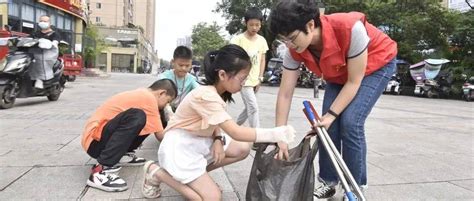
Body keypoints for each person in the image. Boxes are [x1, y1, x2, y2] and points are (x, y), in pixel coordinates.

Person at [269, 0, 397, 199]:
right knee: (325, 128)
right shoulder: (293, 50)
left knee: (350, 122)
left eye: (292, 38)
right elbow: (285, 93)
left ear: (310, 25)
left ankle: (355, 185)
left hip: (376, 64)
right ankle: (328, 181)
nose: (289, 45)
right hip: (339, 73)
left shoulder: (350, 28)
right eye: (284, 40)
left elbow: (354, 82)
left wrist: (331, 114)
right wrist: (280, 136)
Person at [140, 44, 296, 200]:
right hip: (180, 148)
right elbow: (236, 132)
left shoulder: (218, 93)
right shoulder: (206, 96)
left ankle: (197, 179)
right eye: (242, 78)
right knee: (212, 198)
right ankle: (156, 172)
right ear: (222, 75)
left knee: (242, 148)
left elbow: (216, 122)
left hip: (196, 140)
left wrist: (217, 139)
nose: (245, 82)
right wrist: (276, 134)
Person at [81, 79, 177, 192]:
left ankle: (123, 155)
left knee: (149, 121)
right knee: (138, 116)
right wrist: (175, 123)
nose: (166, 106)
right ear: (162, 93)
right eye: (167, 101)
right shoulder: (149, 99)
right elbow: (161, 136)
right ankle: (101, 170)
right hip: (94, 142)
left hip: (97, 139)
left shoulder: (143, 94)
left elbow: (156, 128)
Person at [230, 7, 269, 135]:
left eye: (257, 25)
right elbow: (232, 57)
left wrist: (260, 78)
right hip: (243, 80)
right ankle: (256, 136)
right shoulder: (238, 40)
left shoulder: (262, 40)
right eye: (251, 24)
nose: (254, 27)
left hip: (255, 80)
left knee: (249, 108)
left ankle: (234, 128)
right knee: (253, 107)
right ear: (245, 23)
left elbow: (262, 60)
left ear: (261, 24)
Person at [157, 46, 199, 126]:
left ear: (191, 64)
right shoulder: (164, 77)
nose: (184, 68)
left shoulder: (191, 79)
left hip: (182, 111)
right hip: (166, 109)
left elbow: (199, 92)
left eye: (187, 66)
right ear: (173, 62)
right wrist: (169, 113)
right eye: (180, 65)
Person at [30, 15, 61, 89]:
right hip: (35, 53)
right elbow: (28, 39)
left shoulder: (54, 34)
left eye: (45, 21)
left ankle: (40, 79)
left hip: (48, 54)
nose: (42, 22)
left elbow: (56, 40)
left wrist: (54, 43)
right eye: (41, 21)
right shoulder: (35, 33)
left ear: (49, 23)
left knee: (41, 60)